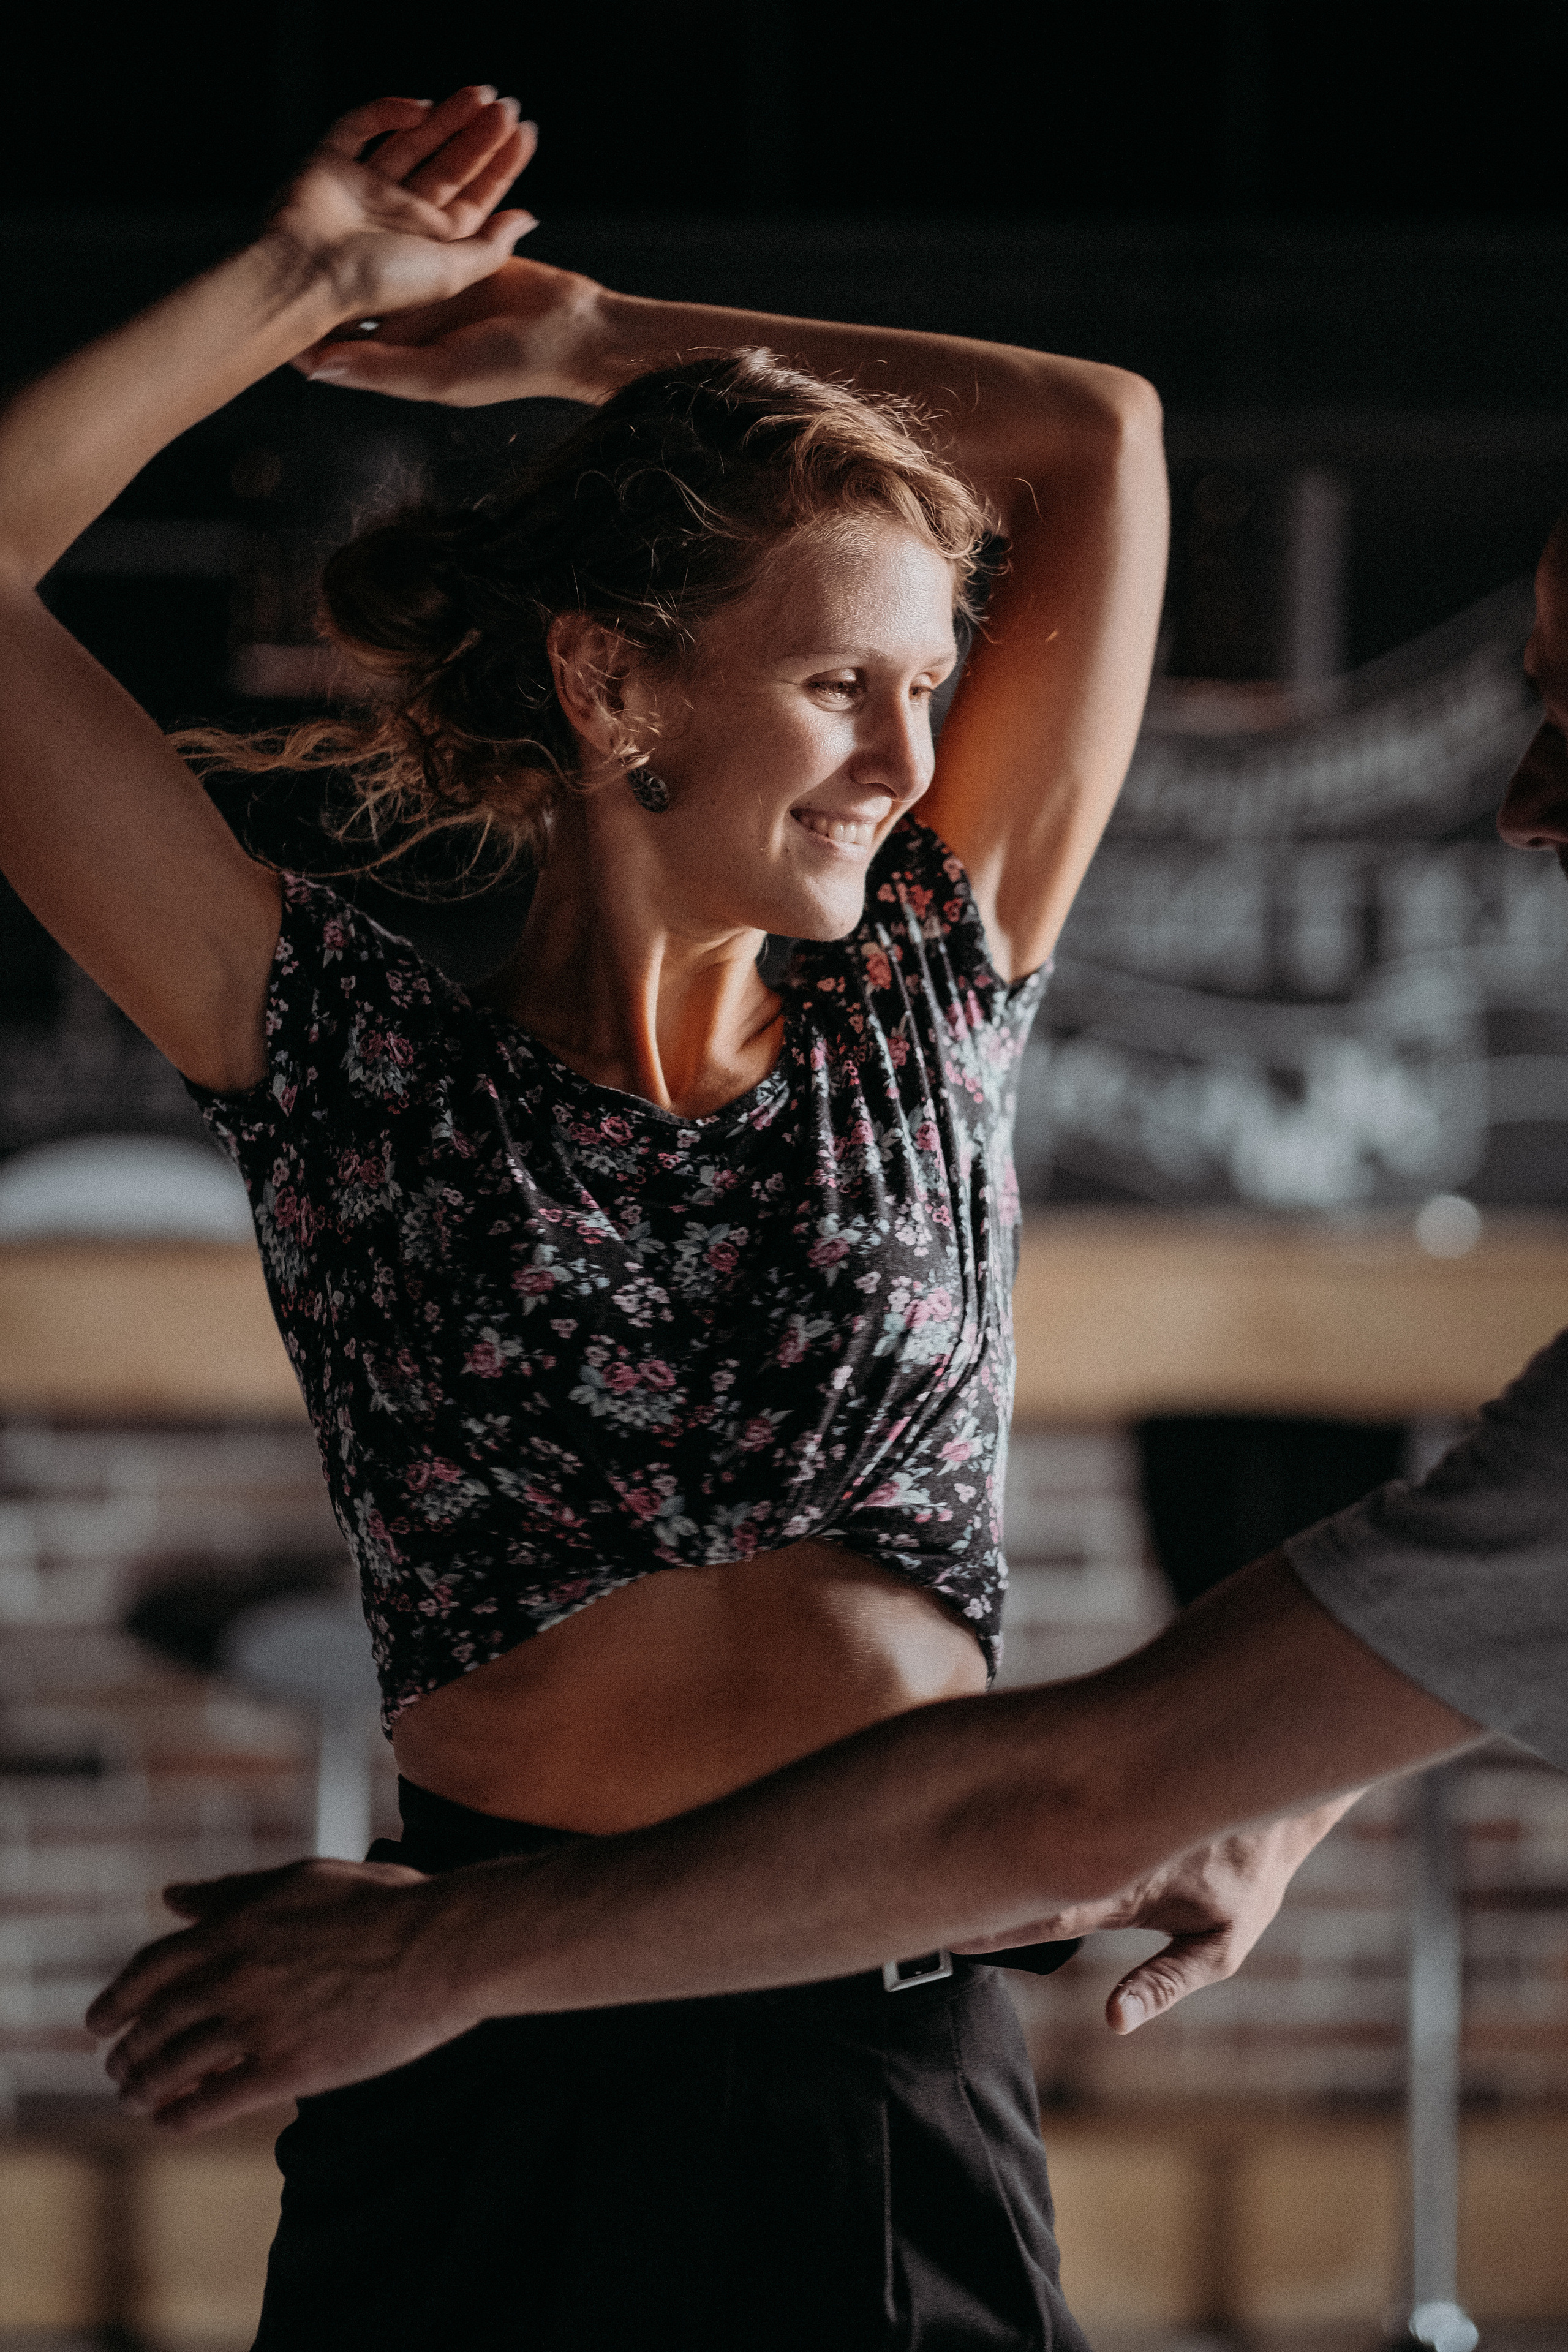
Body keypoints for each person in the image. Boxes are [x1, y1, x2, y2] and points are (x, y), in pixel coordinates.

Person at [0, 82, 1180, 2351]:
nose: (909, 761)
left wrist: (598, 338)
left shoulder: (935, 991)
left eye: (932, 687)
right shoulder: (335, 1046)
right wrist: (301, 289)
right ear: (615, 678)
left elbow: (1094, 435)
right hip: (463, 2056)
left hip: (886, 2072)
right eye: (845, 683)